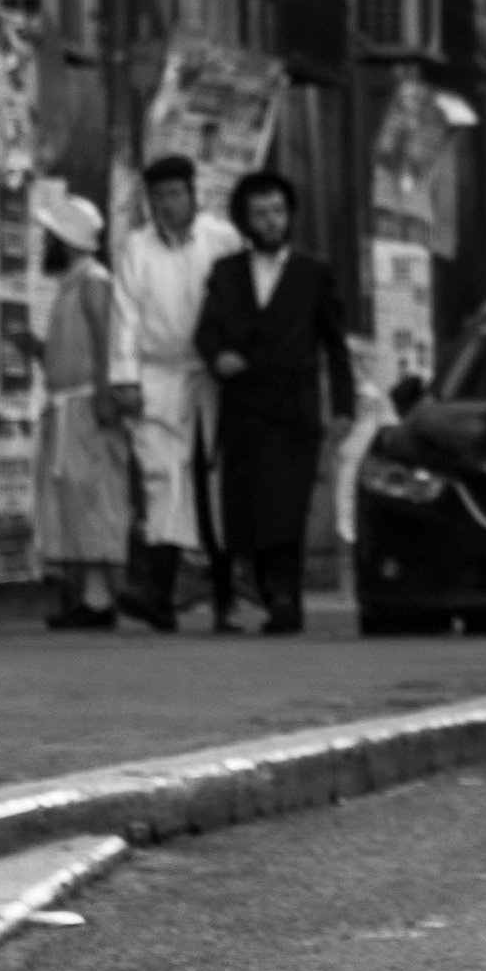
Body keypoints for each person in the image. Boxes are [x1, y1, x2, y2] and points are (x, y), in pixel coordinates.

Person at [190, 171, 356, 636]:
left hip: (293, 408)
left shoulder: (313, 273)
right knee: (248, 506)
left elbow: (335, 345)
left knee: (286, 504)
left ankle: (286, 598)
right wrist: (217, 357)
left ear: (290, 216)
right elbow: (206, 331)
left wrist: (343, 408)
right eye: (260, 213)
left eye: (278, 211)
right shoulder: (226, 273)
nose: (270, 221)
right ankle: (265, 588)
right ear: (245, 220)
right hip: (243, 405)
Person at [107, 152, 239, 633]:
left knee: (217, 480)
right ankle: (158, 595)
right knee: (163, 477)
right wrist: (125, 377)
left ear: (192, 194)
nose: (167, 204)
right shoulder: (136, 248)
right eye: (158, 196)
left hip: (214, 374)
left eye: (175, 193)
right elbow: (125, 315)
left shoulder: (222, 239)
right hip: (158, 375)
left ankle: (227, 598)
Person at [25, 189, 128, 631]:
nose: (45, 245)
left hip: (87, 407)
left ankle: (99, 599)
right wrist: (38, 350)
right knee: (75, 502)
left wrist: (105, 393)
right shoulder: (73, 284)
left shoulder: (93, 281)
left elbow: (106, 342)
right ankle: (90, 596)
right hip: (69, 408)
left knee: (93, 500)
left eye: (51, 237)